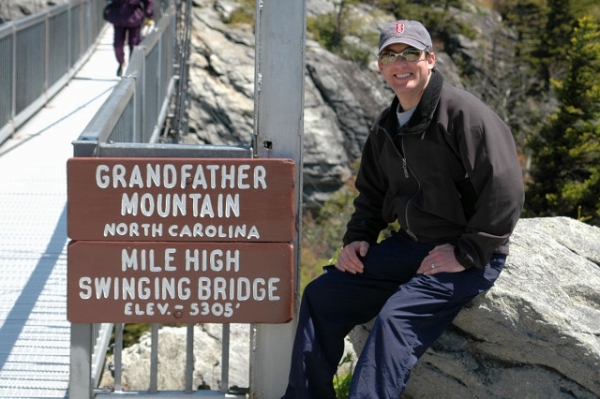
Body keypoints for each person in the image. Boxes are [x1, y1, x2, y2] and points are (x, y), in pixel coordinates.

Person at [281, 20, 524, 398]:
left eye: (410, 53)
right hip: (410, 246)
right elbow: (372, 192)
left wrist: (467, 252)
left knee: (394, 320)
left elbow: (505, 188)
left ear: (430, 59)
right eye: (390, 55)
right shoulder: (386, 125)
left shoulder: (463, 114)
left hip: (467, 253)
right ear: (380, 66)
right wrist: (358, 238)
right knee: (322, 295)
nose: (401, 63)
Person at [104, 0, 153, 76]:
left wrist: (149, 15)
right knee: (118, 45)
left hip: (134, 16)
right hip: (118, 16)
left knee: (134, 45)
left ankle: (132, 68)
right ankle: (121, 62)